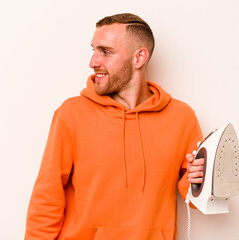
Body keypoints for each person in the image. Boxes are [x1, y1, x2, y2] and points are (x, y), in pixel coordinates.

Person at [25, 13, 204, 240]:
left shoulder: (182, 118)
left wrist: (199, 182)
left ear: (139, 58)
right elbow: (47, 197)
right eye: (94, 50)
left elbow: (195, 198)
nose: (93, 62)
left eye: (106, 52)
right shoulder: (72, 113)